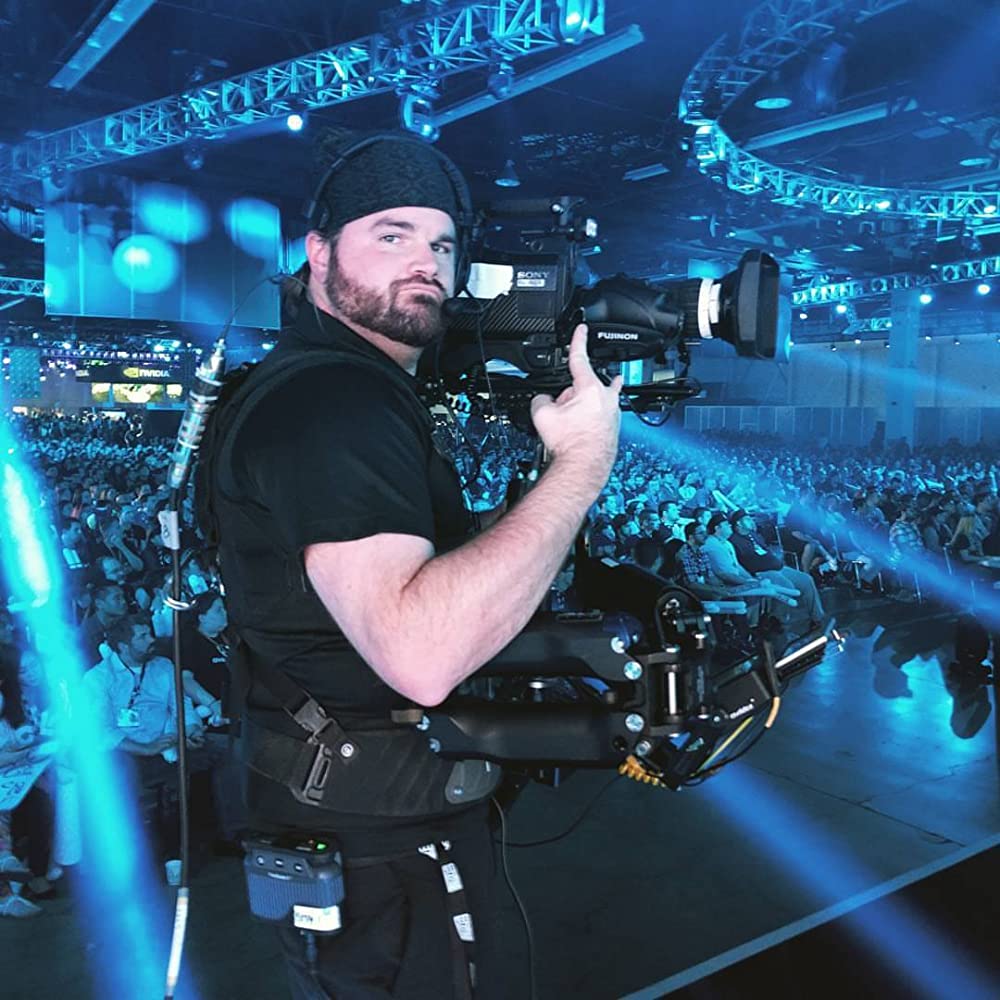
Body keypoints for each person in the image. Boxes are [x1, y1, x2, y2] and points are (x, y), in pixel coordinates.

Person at [201, 132, 622, 999]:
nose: (425, 262)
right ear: (320, 254)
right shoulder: (333, 400)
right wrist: (582, 466)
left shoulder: (334, 384)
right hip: (387, 857)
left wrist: (523, 513)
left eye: (441, 244)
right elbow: (420, 653)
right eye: (390, 236)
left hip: (358, 832)